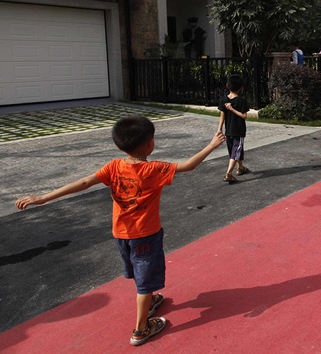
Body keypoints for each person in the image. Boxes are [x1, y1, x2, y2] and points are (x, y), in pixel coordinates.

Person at [15, 116, 226, 346]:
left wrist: (43, 197)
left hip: (121, 234)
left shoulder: (114, 166)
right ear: (150, 144)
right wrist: (212, 145)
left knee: (138, 272)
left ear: (119, 145)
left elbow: (85, 182)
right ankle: (141, 328)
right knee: (145, 281)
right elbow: (188, 165)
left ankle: (150, 300)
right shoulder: (153, 169)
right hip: (146, 234)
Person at [218, 74, 250, 183]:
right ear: (241, 87)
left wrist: (219, 129)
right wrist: (232, 109)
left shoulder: (224, 100)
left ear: (227, 86)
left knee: (235, 151)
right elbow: (244, 116)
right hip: (238, 131)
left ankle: (240, 168)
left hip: (229, 131)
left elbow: (222, 115)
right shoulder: (241, 101)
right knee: (235, 152)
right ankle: (228, 174)